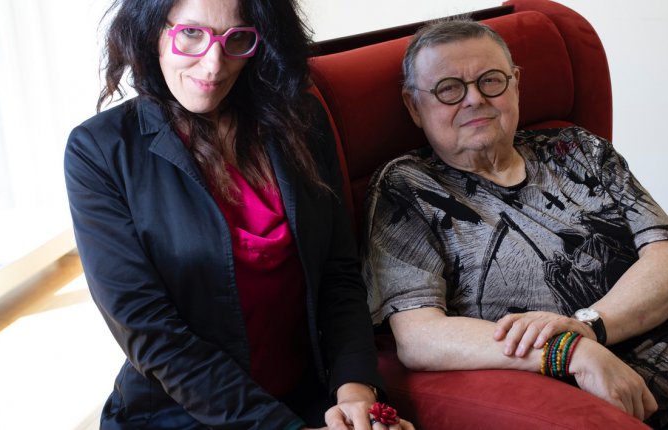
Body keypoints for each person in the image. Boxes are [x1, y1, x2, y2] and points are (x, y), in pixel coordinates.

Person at [362, 19, 668, 429]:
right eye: (449, 89)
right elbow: (419, 337)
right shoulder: (408, 188)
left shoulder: (578, 148)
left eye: (491, 81)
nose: (474, 99)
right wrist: (567, 351)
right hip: (623, 406)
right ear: (414, 106)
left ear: (516, 85)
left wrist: (589, 327)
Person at [64, 0, 414, 428]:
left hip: (306, 399)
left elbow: (338, 273)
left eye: (238, 38)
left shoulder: (300, 121)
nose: (214, 64)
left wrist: (355, 387)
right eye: (191, 33)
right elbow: (151, 332)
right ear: (150, 30)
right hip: (181, 416)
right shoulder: (99, 150)